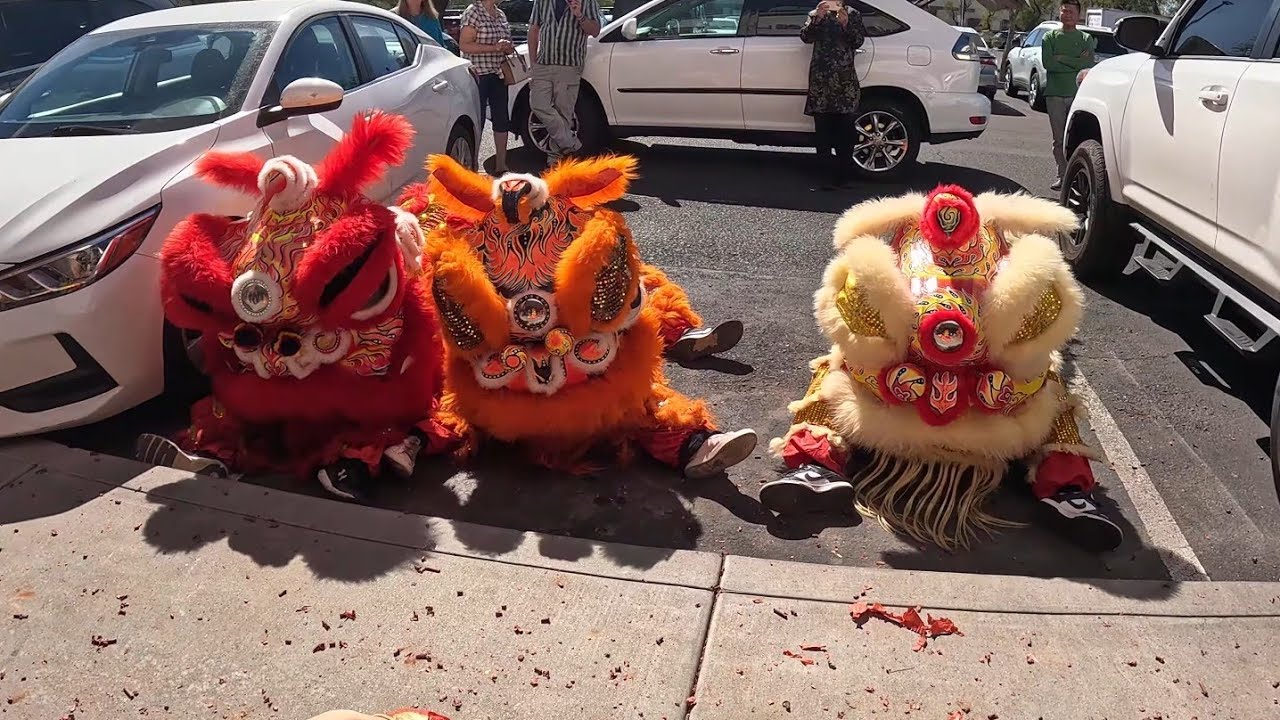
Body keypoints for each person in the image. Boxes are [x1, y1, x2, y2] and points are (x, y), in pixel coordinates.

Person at [759, 184, 1124, 553]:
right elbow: (861, 354)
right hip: (914, 374)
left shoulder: (1015, 305)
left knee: (1047, 382)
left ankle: (1068, 489)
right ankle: (814, 463)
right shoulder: (889, 295)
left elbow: (1028, 373)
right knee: (839, 364)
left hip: (976, 380)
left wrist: (999, 378)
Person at [135, 112, 455, 504]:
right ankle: (217, 453)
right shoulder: (259, 241)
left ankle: (354, 459)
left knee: (361, 411)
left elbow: (395, 340)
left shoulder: (361, 254)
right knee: (258, 395)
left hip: (348, 367)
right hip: (282, 354)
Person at [401, 153, 759, 478]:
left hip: (579, 360)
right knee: (455, 410)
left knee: (642, 343)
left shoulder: (577, 243)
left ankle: (690, 406)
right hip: (512, 374)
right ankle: (408, 443)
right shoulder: (468, 253)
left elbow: (624, 308)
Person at [800, 0, 866, 191]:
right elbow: (805, 37)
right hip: (821, 82)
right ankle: (825, 179)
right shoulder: (815, 13)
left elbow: (858, 41)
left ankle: (843, 178)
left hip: (845, 82)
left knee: (845, 133)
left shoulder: (852, 14)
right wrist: (817, 19)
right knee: (822, 134)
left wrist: (845, 25)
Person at [527, 0, 601, 164]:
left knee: (563, 113)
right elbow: (533, 29)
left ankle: (555, 164)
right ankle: (572, 144)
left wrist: (580, 15)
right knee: (538, 104)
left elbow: (595, 31)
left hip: (569, 65)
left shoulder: (587, 2)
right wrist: (533, 63)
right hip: (543, 63)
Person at [1043, 0, 1096, 191]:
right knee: (1058, 139)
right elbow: (1048, 64)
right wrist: (1074, 60)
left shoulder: (1085, 39)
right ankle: (1062, 175)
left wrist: (1062, 58)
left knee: (1076, 138)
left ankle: (1078, 177)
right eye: (1064, 11)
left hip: (1077, 95)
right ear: (1060, 13)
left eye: (1071, 11)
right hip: (1055, 94)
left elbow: (1087, 65)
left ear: (1078, 14)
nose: (1067, 14)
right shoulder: (1049, 37)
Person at [458, 0, 516, 174]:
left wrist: (507, 47)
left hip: (498, 73)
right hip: (478, 75)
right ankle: (472, 165)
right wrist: (494, 47)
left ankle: (501, 164)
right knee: (478, 120)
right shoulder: (473, 12)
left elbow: (508, 46)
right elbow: (464, 45)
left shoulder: (500, 14)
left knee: (501, 119)